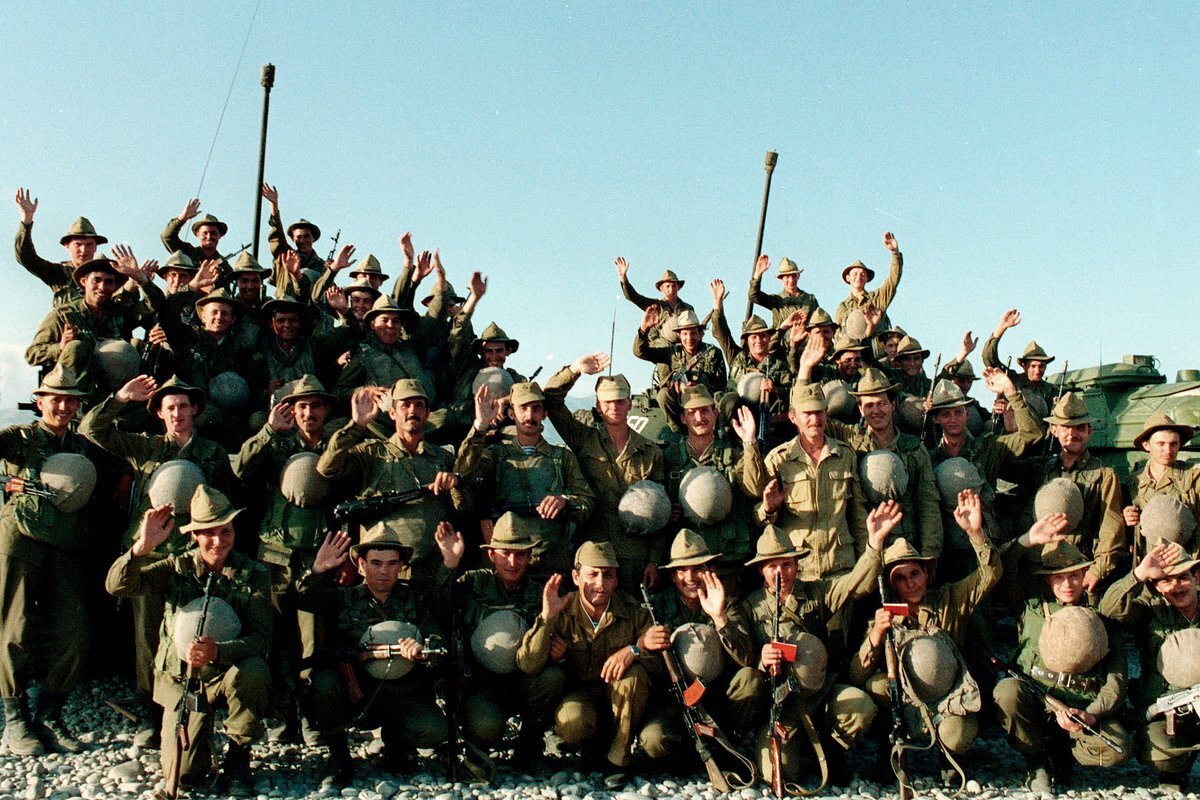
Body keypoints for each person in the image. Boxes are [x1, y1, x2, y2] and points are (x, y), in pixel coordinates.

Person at [80, 374, 237, 745]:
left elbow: (227, 504)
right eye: (170, 408)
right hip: (153, 555)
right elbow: (91, 430)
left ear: (194, 409)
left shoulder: (212, 453)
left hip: (194, 557)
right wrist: (120, 398)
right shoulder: (146, 447)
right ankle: (150, 709)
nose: (177, 413)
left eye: (183, 406)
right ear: (160, 414)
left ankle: (194, 705)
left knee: (194, 627)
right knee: (148, 635)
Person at [105, 487, 271, 795]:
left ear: (234, 531)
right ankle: (201, 739)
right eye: (208, 533)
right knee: (184, 775)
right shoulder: (175, 568)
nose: (218, 541)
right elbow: (116, 586)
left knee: (255, 671)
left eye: (225, 531)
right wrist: (141, 547)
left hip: (227, 674)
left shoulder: (254, 574)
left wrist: (217, 652)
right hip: (184, 680)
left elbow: (261, 640)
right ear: (194, 535)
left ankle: (238, 757)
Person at [851, 490, 1000, 785]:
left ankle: (950, 755)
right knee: (876, 687)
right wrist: (876, 634)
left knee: (958, 735)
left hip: (949, 695)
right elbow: (857, 675)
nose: (910, 583)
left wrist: (976, 533)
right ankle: (891, 750)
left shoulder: (949, 600)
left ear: (926, 574)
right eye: (900, 578)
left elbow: (990, 575)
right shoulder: (884, 615)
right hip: (906, 699)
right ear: (891, 585)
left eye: (915, 574)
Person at [746, 503, 899, 788]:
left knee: (861, 708)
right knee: (779, 774)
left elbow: (854, 583)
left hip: (821, 691)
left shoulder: (816, 593)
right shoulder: (751, 607)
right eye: (772, 566)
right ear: (761, 570)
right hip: (783, 703)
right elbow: (741, 658)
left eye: (787, 564)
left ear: (797, 565)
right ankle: (804, 750)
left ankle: (833, 748)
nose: (780, 572)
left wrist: (874, 545)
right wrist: (762, 660)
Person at [0, 366, 110, 755]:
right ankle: (16, 719)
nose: (63, 407)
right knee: (14, 631)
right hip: (21, 540)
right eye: (55, 399)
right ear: (40, 402)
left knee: (75, 634)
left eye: (71, 401)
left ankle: (50, 714)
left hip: (66, 545)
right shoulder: (20, 439)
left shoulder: (82, 446)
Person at [234, 375, 339, 742]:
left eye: (315, 406)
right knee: (275, 636)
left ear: (326, 410)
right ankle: (282, 714)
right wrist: (268, 431)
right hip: (274, 555)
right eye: (301, 406)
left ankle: (312, 714)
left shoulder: (336, 449)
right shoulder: (277, 445)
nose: (309, 413)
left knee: (313, 640)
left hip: (317, 555)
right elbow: (240, 468)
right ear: (291, 411)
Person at [301, 525, 448, 784]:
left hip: (404, 690)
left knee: (434, 730)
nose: (383, 571)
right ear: (361, 564)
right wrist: (317, 571)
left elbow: (438, 642)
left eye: (392, 564)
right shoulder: (344, 598)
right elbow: (302, 600)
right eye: (376, 563)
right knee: (324, 684)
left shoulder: (415, 599)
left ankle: (397, 744)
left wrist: (422, 651)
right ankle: (339, 757)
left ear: (401, 565)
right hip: (358, 690)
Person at [995, 536, 1131, 793]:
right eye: (1058, 577)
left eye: (1074, 576)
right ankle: (1036, 761)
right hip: (1038, 700)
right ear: (1048, 579)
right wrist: (1026, 540)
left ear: (1084, 574)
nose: (1067, 584)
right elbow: (1003, 568)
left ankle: (1065, 753)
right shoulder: (1031, 609)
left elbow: (1117, 681)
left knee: (1118, 749)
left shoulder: (1101, 619)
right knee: (1006, 692)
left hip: (1080, 706)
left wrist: (1091, 714)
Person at [515, 541, 656, 789]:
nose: (600, 583)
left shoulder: (634, 612)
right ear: (576, 577)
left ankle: (619, 759)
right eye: (592, 574)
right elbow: (528, 664)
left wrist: (634, 650)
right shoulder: (561, 611)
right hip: (581, 695)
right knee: (572, 722)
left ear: (616, 580)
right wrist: (547, 617)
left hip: (622, 697)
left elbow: (660, 666)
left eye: (608, 575)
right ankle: (594, 746)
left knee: (633, 675)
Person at [436, 513, 567, 768]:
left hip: (523, 678)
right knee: (486, 727)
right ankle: (476, 742)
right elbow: (439, 606)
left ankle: (530, 742)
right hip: (481, 682)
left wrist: (560, 652)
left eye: (520, 555)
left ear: (529, 557)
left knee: (553, 678)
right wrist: (450, 564)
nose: (512, 562)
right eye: (505, 554)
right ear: (491, 555)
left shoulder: (541, 593)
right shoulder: (473, 583)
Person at [317, 379, 466, 585]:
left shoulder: (442, 458)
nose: (412, 410)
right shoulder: (371, 454)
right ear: (392, 413)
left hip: (430, 572)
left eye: (419, 405)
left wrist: (455, 485)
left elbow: (464, 509)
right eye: (405, 405)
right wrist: (357, 425)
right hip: (382, 572)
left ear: (427, 413)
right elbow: (327, 468)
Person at [638, 530, 763, 768]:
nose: (690, 577)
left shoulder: (729, 604)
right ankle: (693, 753)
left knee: (751, 680)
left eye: (698, 568)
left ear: (711, 570)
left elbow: (746, 658)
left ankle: (727, 743)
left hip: (719, 697)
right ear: (672, 575)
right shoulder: (656, 607)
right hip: (675, 699)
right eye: (682, 570)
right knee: (653, 740)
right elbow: (643, 661)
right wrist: (645, 643)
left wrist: (720, 617)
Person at [543, 353, 665, 590]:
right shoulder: (583, 439)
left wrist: (654, 560)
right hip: (593, 552)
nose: (614, 407)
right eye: (607, 402)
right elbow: (551, 400)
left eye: (620, 401)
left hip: (635, 555)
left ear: (630, 403)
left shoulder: (651, 452)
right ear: (598, 407)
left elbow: (660, 511)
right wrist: (575, 370)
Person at [456, 381, 594, 577]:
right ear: (512, 414)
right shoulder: (496, 455)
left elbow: (587, 504)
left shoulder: (562, 458)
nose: (529, 415)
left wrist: (565, 501)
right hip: (507, 564)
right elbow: (463, 473)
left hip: (550, 565)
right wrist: (480, 427)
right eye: (523, 408)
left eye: (536, 408)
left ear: (544, 414)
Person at [1100, 542, 1200, 791]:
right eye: (1167, 581)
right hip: (1167, 707)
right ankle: (1178, 768)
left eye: (1183, 578)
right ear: (1156, 586)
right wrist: (1138, 574)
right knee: (1158, 754)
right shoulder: (1150, 612)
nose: (1176, 587)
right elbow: (1108, 610)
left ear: (1196, 578)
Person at [757, 383, 869, 583]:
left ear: (826, 413)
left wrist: (864, 566)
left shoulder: (845, 455)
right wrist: (769, 509)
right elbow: (761, 520)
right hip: (799, 573)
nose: (814, 419)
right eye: (807, 414)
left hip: (841, 569)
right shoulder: (778, 460)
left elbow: (857, 516)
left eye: (819, 412)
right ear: (793, 417)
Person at [1020, 392, 1124, 594]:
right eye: (1066, 428)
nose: (1072, 433)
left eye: (1080, 428)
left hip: (1080, 569)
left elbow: (1111, 529)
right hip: (1044, 568)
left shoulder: (1104, 475)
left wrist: (1098, 570)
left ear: (1089, 432)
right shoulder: (1042, 469)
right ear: (1055, 431)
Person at [663, 386, 763, 594]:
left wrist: (749, 442)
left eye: (705, 410)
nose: (699, 418)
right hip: (687, 569)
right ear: (683, 418)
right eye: (692, 412)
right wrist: (667, 512)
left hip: (728, 564)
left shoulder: (733, 455)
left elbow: (754, 489)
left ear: (715, 413)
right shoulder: (669, 458)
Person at [25, 253, 162, 405]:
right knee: (75, 347)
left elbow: (154, 305)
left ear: (115, 287)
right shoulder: (63, 315)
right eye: (96, 280)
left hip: (113, 391)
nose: (102, 287)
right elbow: (32, 354)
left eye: (108, 282)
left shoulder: (119, 312)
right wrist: (60, 347)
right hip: (73, 392)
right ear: (84, 282)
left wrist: (140, 278)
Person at [710, 279, 795, 446]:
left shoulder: (779, 364)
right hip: (739, 425)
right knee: (729, 399)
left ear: (769, 337)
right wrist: (717, 303)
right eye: (754, 337)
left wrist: (775, 389)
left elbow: (792, 394)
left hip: (772, 426)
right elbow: (721, 332)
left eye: (763, 336)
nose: (759, 341)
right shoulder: (737, 357)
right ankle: (725, 439)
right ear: (747, 339)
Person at [633, 305, 727, 432]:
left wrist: (699, 387)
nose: (689, 338)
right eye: (685, 334)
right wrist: (644, 328)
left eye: (693, 333)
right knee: (663, 395)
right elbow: (639, 352)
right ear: (679, 335)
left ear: (701, 334)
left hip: (706, 401)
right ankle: (679, 432)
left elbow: (721, 386)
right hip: (680, 401)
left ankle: (714, 431)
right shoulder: (672, 352)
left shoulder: (713, 352)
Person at [1122, 413, 1200, 557]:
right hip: (1149, 561)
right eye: (1161, 444)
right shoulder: (1132, 483)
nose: (1168, 450)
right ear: (1146, 445)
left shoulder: (1193, 477)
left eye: (1174, 444)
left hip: (1188, 560)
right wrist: (1127, 518)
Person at [13, 188, 108, 307]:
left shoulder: (108, 276)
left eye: (89, 244)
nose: (83, 250)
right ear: (67, 246)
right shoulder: (58, 274)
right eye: (78, 244)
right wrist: (27, 218)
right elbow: (26, 257)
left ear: (95, 247)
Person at [981, 309, 1058, 417]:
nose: (1037, 370)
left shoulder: (1050, 390)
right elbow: (988, 357)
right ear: (1024, 365)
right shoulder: (1011, 380)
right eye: (1033, 366)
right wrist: (1001, 328)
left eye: (1041, 366)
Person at [834, 232, 903, 330]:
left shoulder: (877, 298)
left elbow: (893, 280)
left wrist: (895, 253)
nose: (859, 277)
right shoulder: (843, 307)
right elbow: (837, 334)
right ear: (848, 278)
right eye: (855, 274)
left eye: (862, 274)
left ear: (867, 278)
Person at [161, 198, 233, 280]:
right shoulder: (187, 252)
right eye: (204, 233)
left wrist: (217, 277)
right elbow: (167, 237)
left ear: (219, 235)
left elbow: (230, 285)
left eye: (213, 233)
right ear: (197, 235)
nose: (209, 237)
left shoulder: (224, 265)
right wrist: (182, 218)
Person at [748, 254, 819, 330]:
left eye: (794, 276)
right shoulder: (776, 301)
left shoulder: (810, 299)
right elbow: (753, 295)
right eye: (787, 277)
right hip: (782, 337)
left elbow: (819, 321)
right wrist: (758, 274)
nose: (791, 280)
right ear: (781, 279)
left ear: (798, 276)